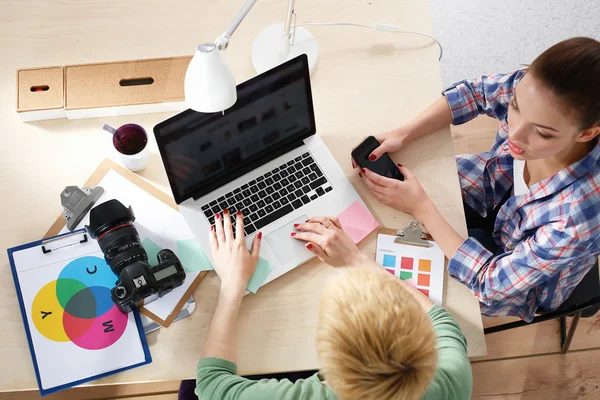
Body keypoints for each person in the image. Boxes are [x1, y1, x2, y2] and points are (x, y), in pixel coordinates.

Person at [351, 37, 600, 322]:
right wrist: (405, 132)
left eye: (543, 133)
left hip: (512, 272)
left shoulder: (577, 218)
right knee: (389, 203)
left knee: (399, 297)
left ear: (587, 134)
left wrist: (422, 209)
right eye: (515, 107)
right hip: (492, 190)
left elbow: (491, 284)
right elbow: (475, 93)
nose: (515, 135)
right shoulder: (536, 94)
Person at [192, 209, 472, 400]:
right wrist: (356, 260)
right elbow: (442, 322)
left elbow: (211, 383)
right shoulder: (452, 381)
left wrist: (231, 285)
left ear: (325, 363)